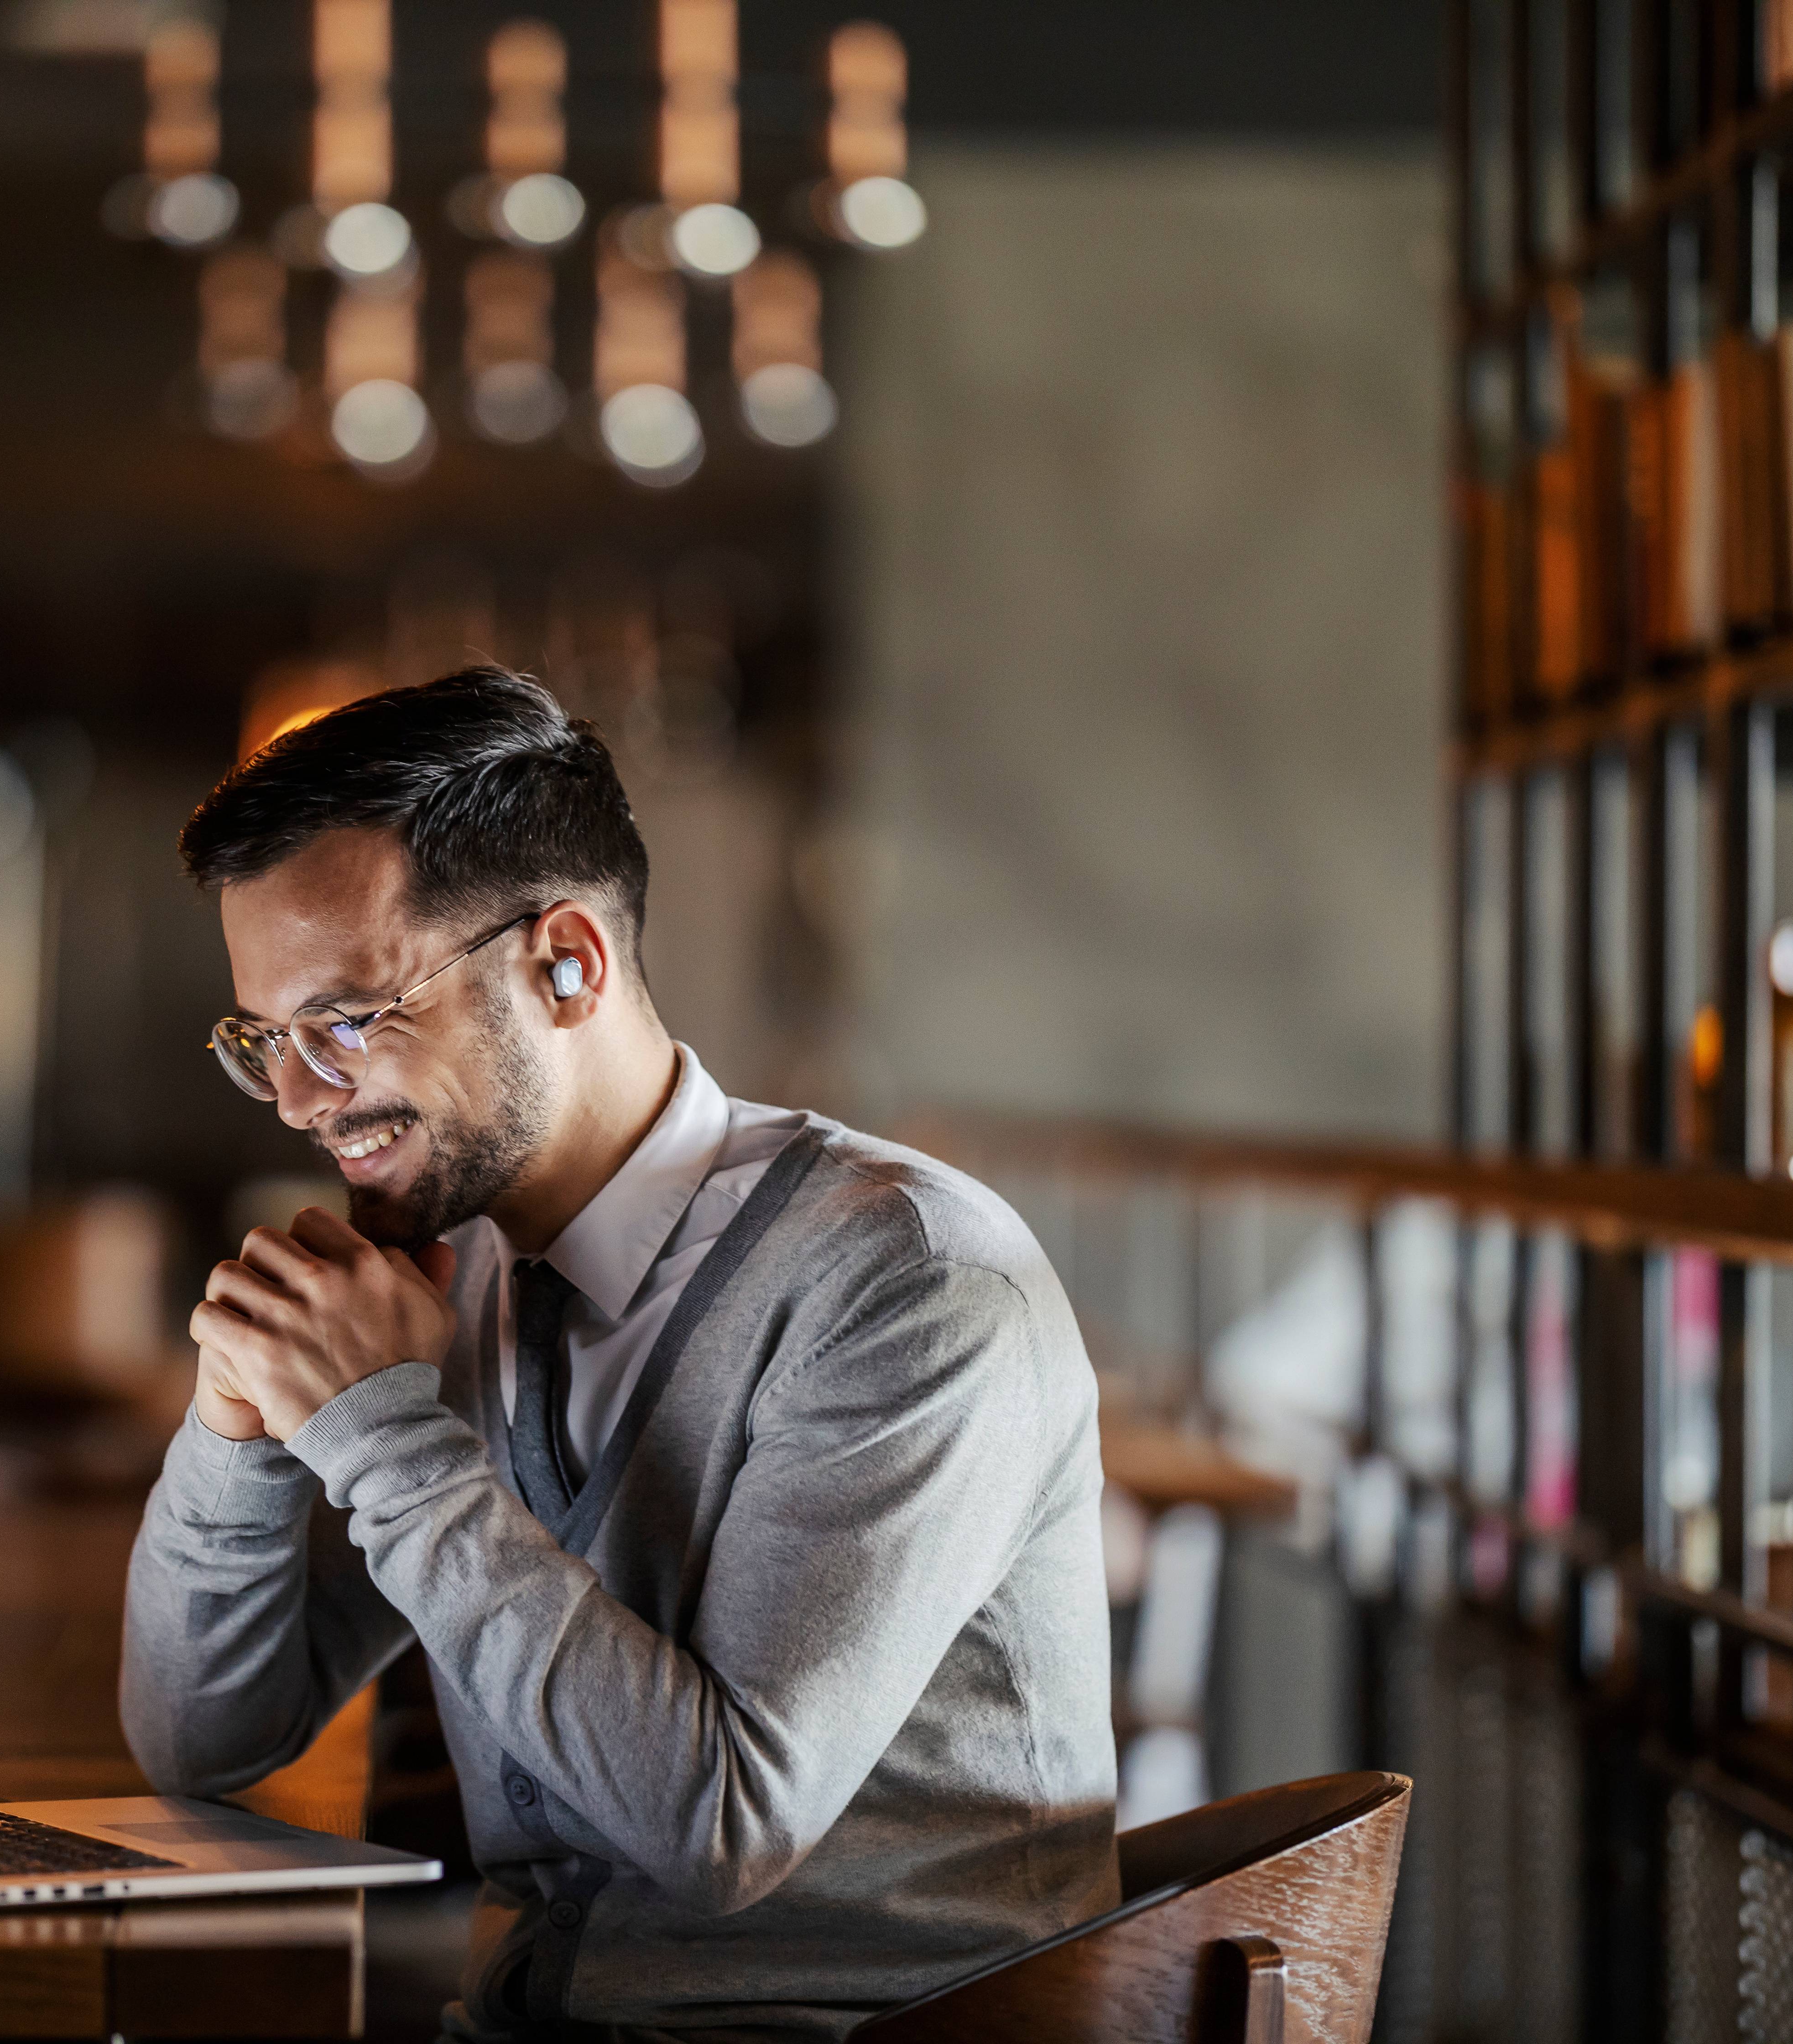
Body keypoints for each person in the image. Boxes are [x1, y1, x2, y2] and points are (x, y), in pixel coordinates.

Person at [121, 668, 1115, 2042]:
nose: (297, 1100)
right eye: (269, 1041)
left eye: (347, 1021)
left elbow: (723, 1824)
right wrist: (233, 1433)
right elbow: (207, 1741)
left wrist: (381, 1440)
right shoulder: (450, 1270)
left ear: (566, 963)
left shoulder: (910, 1285)